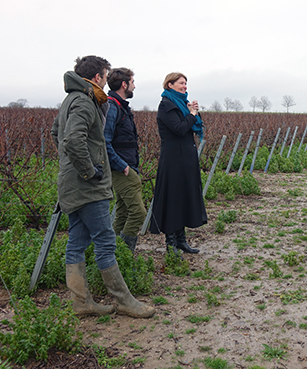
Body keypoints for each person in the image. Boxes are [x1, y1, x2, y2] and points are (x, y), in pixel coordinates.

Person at [51, 56, 155, 318]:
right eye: (105, 76)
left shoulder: (71, 99)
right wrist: (89, 169)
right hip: (87, 187)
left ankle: (82, 302)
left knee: (77, 241)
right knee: (106, 241)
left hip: (72, 184)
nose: (107, 80)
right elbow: (73, 139)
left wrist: (70, 165)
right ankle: (124, 301)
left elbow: (56, 133)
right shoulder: (85, 102)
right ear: (97, 77)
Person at [150, 73, 208, 253]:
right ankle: (171, 242)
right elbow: (180, 128)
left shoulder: (181, 104)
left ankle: (182, 240)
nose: (185, 87)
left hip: (186, 159)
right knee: (173, 198)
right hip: (173, 160)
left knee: (184, 196)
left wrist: (193, 112)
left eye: (186, 83)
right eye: (181, 83)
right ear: (170, 85)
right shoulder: (166, 105)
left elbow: (190, 125)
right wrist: (191, 114)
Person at [104, 68, 145, 253]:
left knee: (122, 212)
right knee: (138, 213)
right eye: (132, 82)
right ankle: (125, 254)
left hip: (127, 166)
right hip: (121, 169)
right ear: (124, 84)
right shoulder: (112, 106)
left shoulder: (120, 106)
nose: (134, 86)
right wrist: (123, 167)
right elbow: (104, 142)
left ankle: (113, 255)